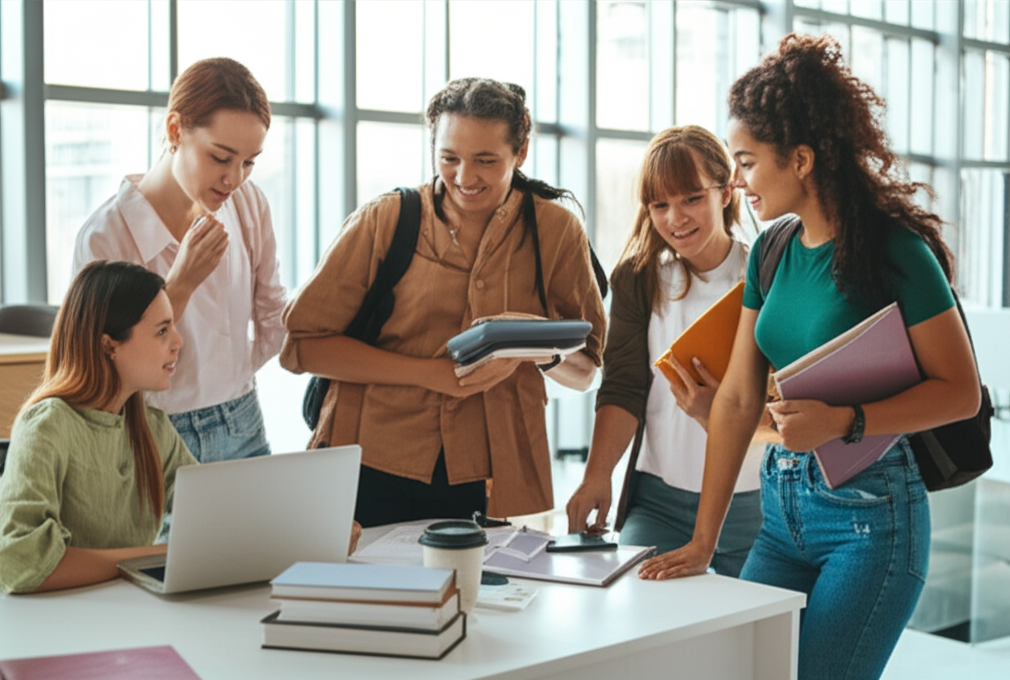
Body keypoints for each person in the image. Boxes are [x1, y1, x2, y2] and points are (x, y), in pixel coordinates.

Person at [638, 35, 982, 680]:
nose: (737, 181)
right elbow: (740, 399)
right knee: (746, 670)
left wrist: (844, 420)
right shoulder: (772, 250)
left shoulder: (896, 252)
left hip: (871, 521)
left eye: (746, 162)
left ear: (800, 158)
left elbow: (959, 392)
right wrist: (703, 542)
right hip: (782, 513)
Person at [281, 78, 607, 527]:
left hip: (492, 474)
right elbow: (303, 347)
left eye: (486, 161)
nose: (464, 177)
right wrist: (434, 375)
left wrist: (534, 351)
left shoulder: (555, 231)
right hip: (370, 460)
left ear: (521, 152)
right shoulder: (385, 220)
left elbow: (586, 371)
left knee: (479, 598)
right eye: (449, 158)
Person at [565, 126, 765, 576]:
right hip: (659, 503)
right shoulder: (639, 278)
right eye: (661, 205)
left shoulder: (763, 273)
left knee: (752, 641)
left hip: (755, 505)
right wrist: (597, 475)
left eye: (692, 198)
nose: (676, 218)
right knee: (640, 613)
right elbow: (623, 387)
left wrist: (714, 413)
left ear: (726, 191)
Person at [73, 57, 287, 468]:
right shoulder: (104, 238)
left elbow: (273, 322)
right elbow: (99, 373)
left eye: (249, 161)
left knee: (269, 536)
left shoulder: (249, 203)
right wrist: (180, 286)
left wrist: (228, 373)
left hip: (242, 421)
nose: (235, 178)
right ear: (175, 130)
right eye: (220, 158)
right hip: (150, 435)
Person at [0, 261, 197, 594]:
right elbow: (22, 561)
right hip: (55, 621)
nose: (178, 342)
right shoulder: (46, 427)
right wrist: (152, 556)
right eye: (162, 330)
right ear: (109, 346)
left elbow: (211, 514)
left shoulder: (154, 429)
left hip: (124, 612)